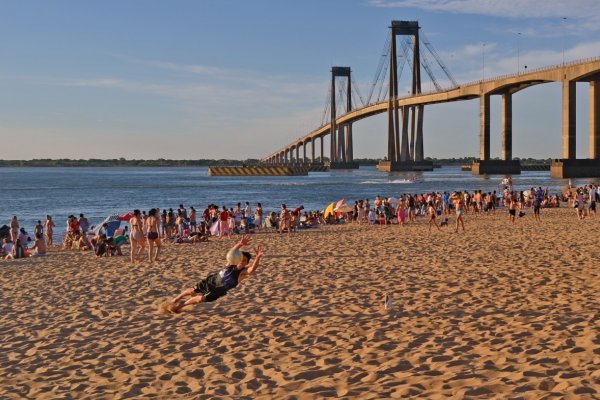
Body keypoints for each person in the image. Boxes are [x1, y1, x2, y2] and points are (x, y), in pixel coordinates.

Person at [170, 235, 264, 313]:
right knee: (192, 291)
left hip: (217, 291)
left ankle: (182, 305)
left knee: (198, 299)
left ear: (247, 263)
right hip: (211, 280)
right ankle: (176, 299)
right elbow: (232, 253)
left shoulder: (242, 272)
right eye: (241, 259)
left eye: (244, 261)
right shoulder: (231, 263)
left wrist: (258, 257)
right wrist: (240, 244)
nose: (242, 262)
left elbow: (252, 269)